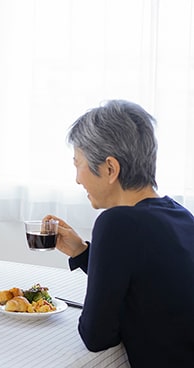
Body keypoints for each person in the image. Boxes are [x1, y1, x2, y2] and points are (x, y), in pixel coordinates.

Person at [45, 100, 194, 367]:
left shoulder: (116, 223)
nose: (77, 178)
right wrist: (83, 253)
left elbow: (96, 336)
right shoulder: (181, 216)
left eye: (78, 164)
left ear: (110, 169)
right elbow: (148, 286)